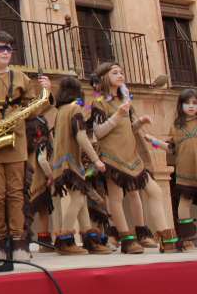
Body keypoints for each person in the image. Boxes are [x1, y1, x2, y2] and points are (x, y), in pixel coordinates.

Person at [0, 31, 52, 260]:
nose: (6, 53)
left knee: (16, 194)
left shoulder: (22, 77)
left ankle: (18, 242)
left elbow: (34, 108)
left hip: (15, 141)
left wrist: (47, 92)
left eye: (8, 49)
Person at [89, 62, 179, 253]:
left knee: (154, 191)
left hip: (132, 156)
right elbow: (98, 132)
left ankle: (164, 235)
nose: (120, 75)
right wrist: (117, 115)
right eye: (115, 72)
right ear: (105, 77)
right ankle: (127, 239)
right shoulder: (99, 103)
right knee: (116, 196)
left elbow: (127, 129)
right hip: (112, 156)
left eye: (121, 72)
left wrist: (139, 122)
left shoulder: (125, 101)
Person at [50, 77, 110, 255]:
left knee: (81, 200)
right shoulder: (76, 109)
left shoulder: (60, 111)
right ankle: (65, 242)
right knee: (77, 199)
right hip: (72, 163)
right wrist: (96, 160)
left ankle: (90, 240)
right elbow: (81, 136)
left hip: (61, 163)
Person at [145, 88, 197, 250]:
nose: (191, 106)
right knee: (184, 203)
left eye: (194, 103)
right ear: (180, 105)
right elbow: (171, 148)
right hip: (185, 171)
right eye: (186, 103)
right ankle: (188, 240)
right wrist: (154, 141)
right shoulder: (176, 127)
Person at [25, 116, 55, 252]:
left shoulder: (29, 142)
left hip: (30, 179)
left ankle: (43, 242)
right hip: (40, 181)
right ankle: (42, 243)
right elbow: (42, 160)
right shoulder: (43, 141)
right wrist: (50, 175)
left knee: (40, 211)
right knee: (39, 212)